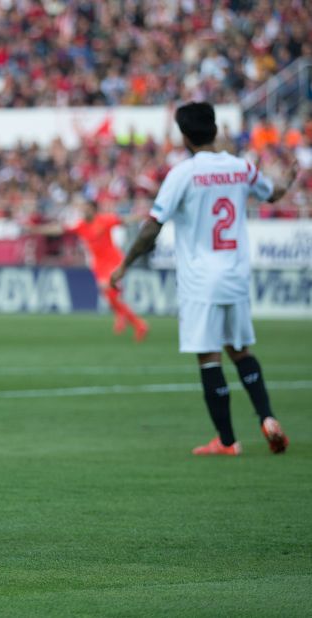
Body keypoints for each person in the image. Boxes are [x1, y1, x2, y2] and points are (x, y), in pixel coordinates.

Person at [111, 102, 298, 456]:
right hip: (237, 276)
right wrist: (289, 179)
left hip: (201, 279)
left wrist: (125, 265)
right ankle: (268, 417)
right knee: (241, 350)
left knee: (209, 357)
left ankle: (227, 441)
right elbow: (273, 193)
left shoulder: (183, 174)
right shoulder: (240, 167)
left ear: (184, 136)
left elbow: (153, 226)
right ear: (215, 129)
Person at [25, 197, 149, 341]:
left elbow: (124, 220)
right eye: (83, 208)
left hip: (113, 261)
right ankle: (120, 315)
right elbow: (59, 229)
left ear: (93, 209)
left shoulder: (104, 220)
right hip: (98, 264)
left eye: (86, 208)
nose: (83, 210)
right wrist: (37, 229)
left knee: (107, 288)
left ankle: (139, 324)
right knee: (109, 294)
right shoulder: (81, 225)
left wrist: (143, 215)